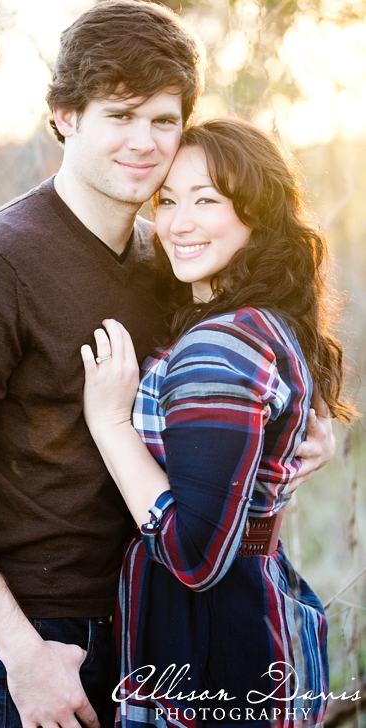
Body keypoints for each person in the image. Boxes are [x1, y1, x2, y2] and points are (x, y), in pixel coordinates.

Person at [0, 2, 334, 727]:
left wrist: (304, 431)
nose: (145, 142)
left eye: (164, 120)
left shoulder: (169, 261)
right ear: (66, 116)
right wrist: (22, 653)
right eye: (120, 115)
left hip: (151, 626)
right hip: (30, 637)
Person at [81, 118, 354, 727]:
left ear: (257, 214)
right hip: (243, 615)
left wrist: (110, 424)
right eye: (168, 200)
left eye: (206, 200)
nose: (178, 224)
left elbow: (196, 555)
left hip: (213, 640)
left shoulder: (223, 345)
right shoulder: (261, 323)